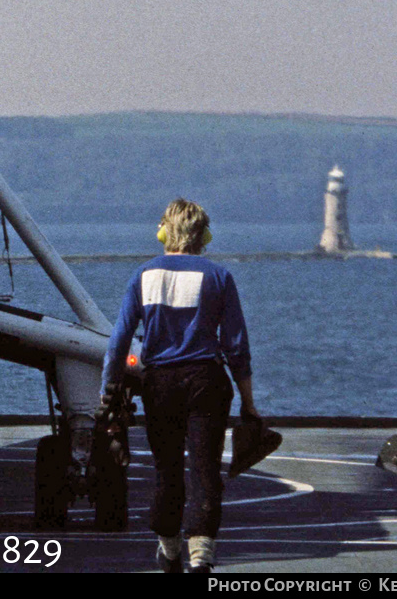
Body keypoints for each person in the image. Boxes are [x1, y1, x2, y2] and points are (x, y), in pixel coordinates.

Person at [102, 198, 257, 573]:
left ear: (162, 232)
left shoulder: (143, 276)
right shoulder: (219, 277)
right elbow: (236, 346)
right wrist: (249, 405)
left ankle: (169, 549)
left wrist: (108, 395)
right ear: (203, 235)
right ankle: (202, 553)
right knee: (205, 470)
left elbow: (119, 341)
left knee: (166, 469)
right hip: (206, 381)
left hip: (159, 383)